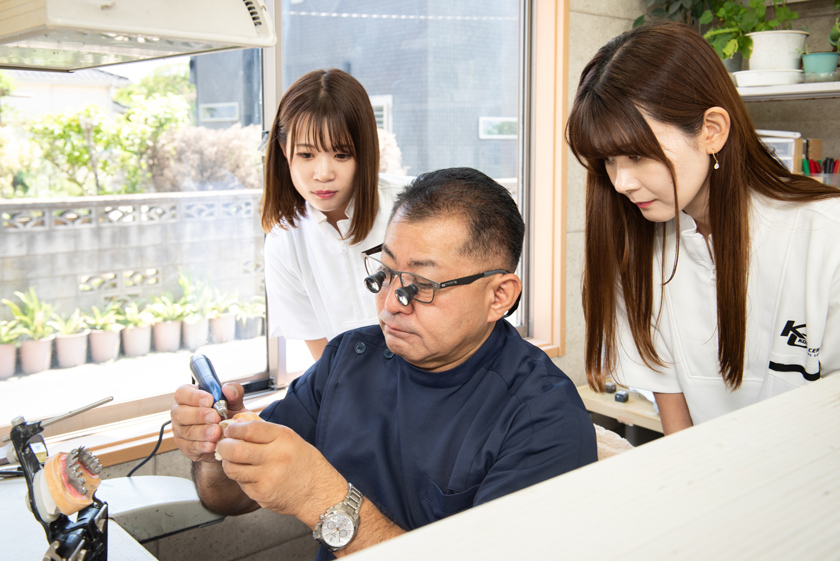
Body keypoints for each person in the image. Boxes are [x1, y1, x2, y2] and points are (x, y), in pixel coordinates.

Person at [172, 167, 597, 559]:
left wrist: (325, 500)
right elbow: (226, 498)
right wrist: (214, 452)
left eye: (423, 286)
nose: (391, 303)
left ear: (498, 296)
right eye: (386, 272)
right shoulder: (347, 360)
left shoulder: (545, 421)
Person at [565, 22, 840, 434]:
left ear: (711, 131)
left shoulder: (826, 236)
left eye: (637, 155)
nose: (620, 183)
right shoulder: (636, 249)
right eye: (608, 161)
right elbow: (679, 430)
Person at [261, 68, 406, 360]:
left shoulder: (413, 207)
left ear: (364, 151)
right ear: (283, 149)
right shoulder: (283, 242)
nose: (323, 174)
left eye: (341, 154)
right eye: (306, 155)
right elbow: (327, 365)